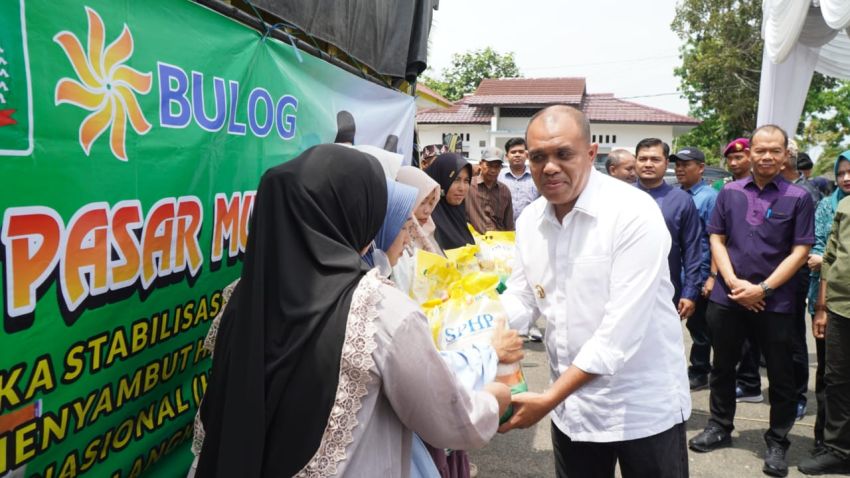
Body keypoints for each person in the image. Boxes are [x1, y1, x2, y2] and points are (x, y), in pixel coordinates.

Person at [194, 144, 509, 477]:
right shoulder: (379, 308)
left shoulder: (243, 295)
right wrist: (495, 399)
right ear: (356, 213)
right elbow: (447, 418)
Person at [499, 105, 691, 478]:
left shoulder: (632, 212)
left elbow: (617, 335)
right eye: (538, 157)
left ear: (591, 154)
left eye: (563, 154)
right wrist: (479, 335)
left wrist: (549, 398)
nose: (549, 166)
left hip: (640, 408)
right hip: (573, 411)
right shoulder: (530, 221)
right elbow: (522, 297)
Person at [689, 125, 815, 477]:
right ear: (750, 152)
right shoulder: (729, 192)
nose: (767, 157)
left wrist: (763, 290)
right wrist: (732, 283)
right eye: (760, 150)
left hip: (775, 303)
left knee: (781, 373)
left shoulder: (798, 196)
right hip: (728, 298)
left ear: (785, 153)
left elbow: (801, 250)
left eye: (775, 151)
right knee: (723, 365)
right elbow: (717, 238)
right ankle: (719, 426)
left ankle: (777, 441)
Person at [799, 174, 850, 474]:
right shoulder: (844, 208)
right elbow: (829, 258)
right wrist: (822, 307)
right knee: (837, 381)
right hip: (840, 309)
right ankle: (838, 450)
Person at [635, 140, 702, 316]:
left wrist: (690, 293)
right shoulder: (621, 196)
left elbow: (692, 250)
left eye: (655, 159)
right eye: (643, 159)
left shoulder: (681, 200)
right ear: (636, 161)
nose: (648, 164)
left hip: (667, 291)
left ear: (666, 163)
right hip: (625, 289)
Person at [673, 147, 719, 391]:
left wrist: (711, 276)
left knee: (699, 327)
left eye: (686, 164)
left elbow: (716, 239)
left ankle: (700, 371)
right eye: (677, 165)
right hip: (676, 272)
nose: (679, 169)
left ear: (701, 168)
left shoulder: (709, 197)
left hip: (699, 272)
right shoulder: (675, 195)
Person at [427, 153, 476, 250]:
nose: (462, 188)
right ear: (440, 179)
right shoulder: (426, 218)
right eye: (456, 180)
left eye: (466, 181)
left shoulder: (457, 211)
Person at [465, 147, 514, 233]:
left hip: (498, 242)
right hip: (473, 242)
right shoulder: (468, 186)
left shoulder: (505, 191)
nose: (493, 170)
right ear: (480, 164)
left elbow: (508, 224)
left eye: (497, 167)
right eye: (489, 165)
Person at [499, 137, 539, 222]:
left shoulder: (537, 176)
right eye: (513, 152)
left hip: (530, 227)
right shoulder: (499, 176)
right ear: (506, 156)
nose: (517, 154)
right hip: (503, 230)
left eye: (521, 152)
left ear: (527, 155)